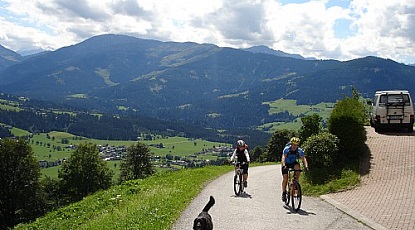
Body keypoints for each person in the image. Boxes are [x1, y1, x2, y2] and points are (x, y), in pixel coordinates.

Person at [281, 137, 309, 202]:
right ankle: (284, 192)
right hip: (286, 163)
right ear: (291, 144)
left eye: (296, 145)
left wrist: (306, 167)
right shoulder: (286, 149)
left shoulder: (299, 150)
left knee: (298, 168)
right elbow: (283, 158)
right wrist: (284, 166)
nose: (294, 146)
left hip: (293, 163)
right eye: (293, 144)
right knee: (285, 178)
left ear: (297, 145)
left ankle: (295, 183)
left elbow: (304, 159)